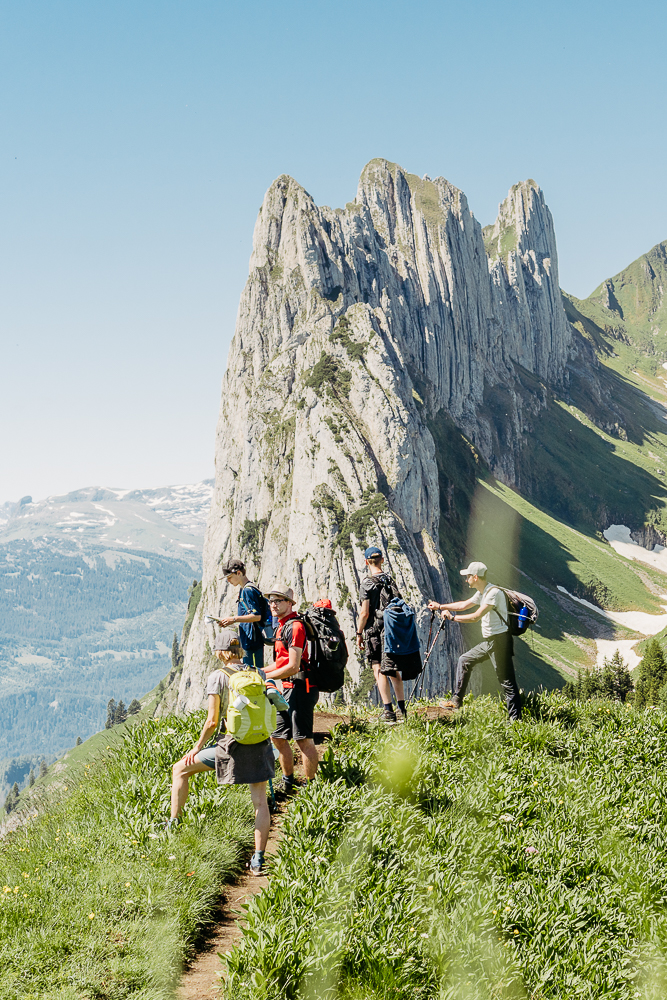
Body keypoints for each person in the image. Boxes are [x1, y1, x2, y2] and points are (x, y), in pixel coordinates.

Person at [168, 628, 280, 874]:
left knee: (180, 769)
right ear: (239, 651)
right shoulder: (258, 672)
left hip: (231, 745)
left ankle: (173, 825)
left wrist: (196, 747)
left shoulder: (218, 676)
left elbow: (211, 720)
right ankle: (259, 859)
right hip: (260, 742)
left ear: (221, 652)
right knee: (260, 802)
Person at [428, 561, 522, 721]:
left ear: (476, 577)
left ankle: (516, 721)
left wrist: (452, 617)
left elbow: (475, 616)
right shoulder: (483, 591)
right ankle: (456, 702)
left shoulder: (493, 593)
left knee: (506, 681)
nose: (466, 580)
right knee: (465, 660)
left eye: (468, 576)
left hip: (499, 642)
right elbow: (464, 605)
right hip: (491, 642)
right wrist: (440, 606)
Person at [263, 584, 319, 795]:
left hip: (301, 687)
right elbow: (280, 664)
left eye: (278, 600)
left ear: (289, 603)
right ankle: (288, 782)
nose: (273, 604)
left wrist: (264, 676)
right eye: (271, 601)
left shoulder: (295, 627)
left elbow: (293, 666)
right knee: (277, 736)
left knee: (302, 739)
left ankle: (312, 787)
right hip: (286, 688)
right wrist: (256, 671)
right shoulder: (281, 626)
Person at [356, 546, 406, 724]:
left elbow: (364, 613)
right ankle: (402, 709)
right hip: (392, 630)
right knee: (392, 667)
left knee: (378, 668)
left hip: (375, 631)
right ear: (382, 560)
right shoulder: (389, 579)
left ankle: (388, 711)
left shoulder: (367, 583)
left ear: (366, 562)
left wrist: (359, 633)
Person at [216, 558, 266, 671]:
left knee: (253, 674)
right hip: (248, 640)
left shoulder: (248, 590)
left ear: (239, 573)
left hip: (252, 642)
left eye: (229, 577)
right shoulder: (243, 590)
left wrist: (233, 619)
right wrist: (229, 621)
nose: (228, 581)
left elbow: (256, 616)